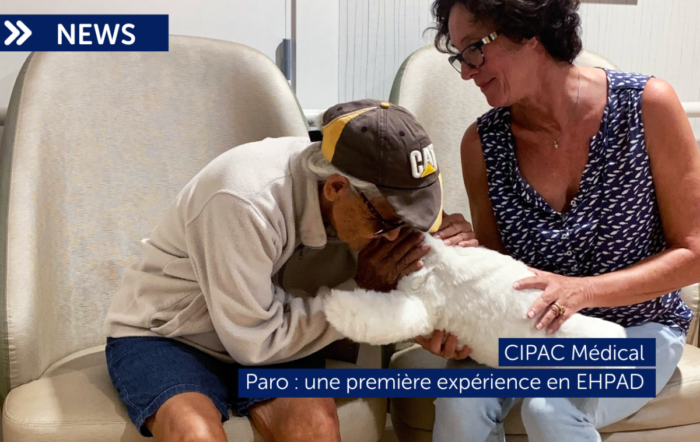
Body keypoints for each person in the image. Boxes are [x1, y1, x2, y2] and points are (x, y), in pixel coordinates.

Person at [103, 98, 476, 442]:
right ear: (335, 188)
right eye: (384, 223)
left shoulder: (382, 197)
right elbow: (255, 342)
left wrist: (441, 320)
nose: (394, 235)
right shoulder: (244, 199)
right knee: (194, 434)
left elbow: (422, 284)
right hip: (172, 336)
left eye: (407, 219)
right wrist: (361, 292)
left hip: (276, 333)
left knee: (316, 428)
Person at [417, 0, 700, 441]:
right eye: (460, 55)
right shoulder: (482, 144)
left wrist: (581, 291)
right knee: (459, 402)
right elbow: (500, 274)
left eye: (474, 48)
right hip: (534, 332)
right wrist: (457, 289)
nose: (466, 72)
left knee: (550, 408)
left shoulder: (647, 106)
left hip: (640, 325)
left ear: (529, 31)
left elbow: (693, 252)